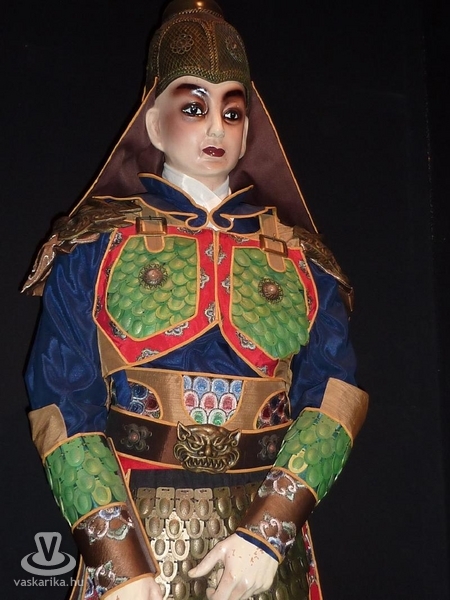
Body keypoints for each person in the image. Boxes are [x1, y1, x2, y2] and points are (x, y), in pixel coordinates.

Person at [22, 1, 368, 599]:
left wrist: (270, 531)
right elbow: (61, 400)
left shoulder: (304, 260)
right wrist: (117, 562)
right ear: (153, 122)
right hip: (136, 521)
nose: (215, 129)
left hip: (264, 541)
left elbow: (335, 398)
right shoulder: (93, 247)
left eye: (232, 111)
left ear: (249, 128)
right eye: (193, 107)